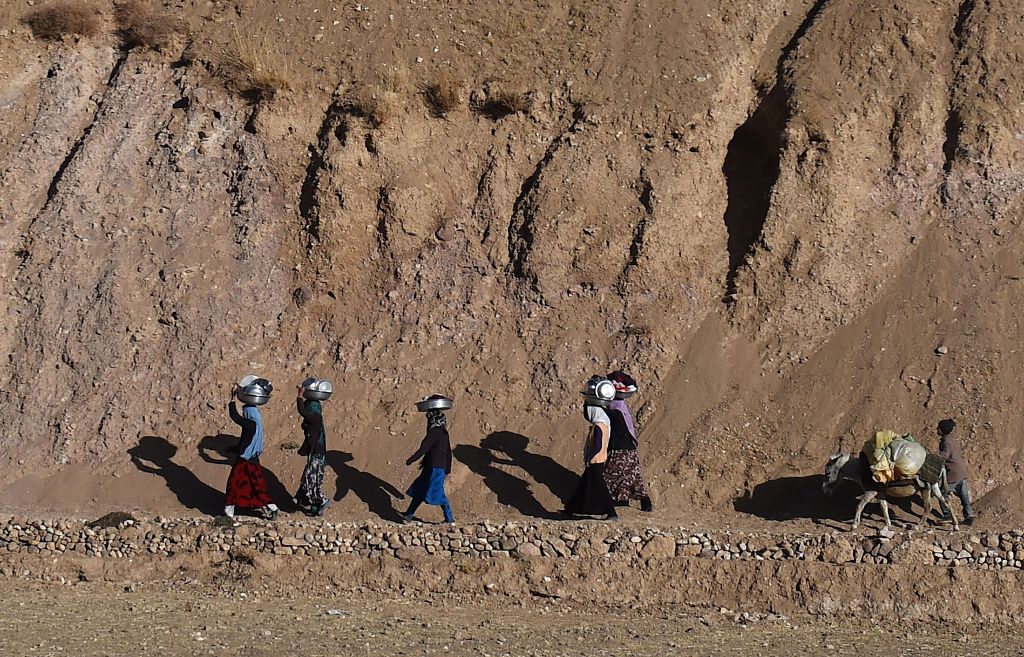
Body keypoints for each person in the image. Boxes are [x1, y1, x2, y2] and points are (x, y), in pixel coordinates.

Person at [224, 388, 279, 519]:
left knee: (234, 484)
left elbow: (235, 417)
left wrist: (232, 399)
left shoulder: (249, 423)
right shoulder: (256, 425)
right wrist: (234, 449)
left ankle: (229, 509)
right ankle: (272, 506)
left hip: (244, 461)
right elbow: (245, 441)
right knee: (257, 485)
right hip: (253, 460)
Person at [604, 370, 653, 512]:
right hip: (629, 444)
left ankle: (613, 500)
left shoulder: (614, 405)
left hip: (620, 446)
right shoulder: (621, 405)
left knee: (611, 473)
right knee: (632, 474)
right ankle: (639, 501)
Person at [564, 402, 618, 521]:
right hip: (600, 460)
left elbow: (597, 445)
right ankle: (570, 509)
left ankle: (611, 512)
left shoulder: (598, 426)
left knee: (600, 486)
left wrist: (590, 458)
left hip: (595, 461)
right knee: (584, 485)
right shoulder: (605, 425)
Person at [402, 407, 454, 524]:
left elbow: (423, 449)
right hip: (436, 467)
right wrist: (448, 468)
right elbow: (448, 453)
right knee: (421, 489)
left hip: (434, 468)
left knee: (438, 492)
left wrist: (411, 460)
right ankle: (409, 514)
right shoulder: (444, 434)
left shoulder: (434, 433)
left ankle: (449, 518)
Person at [292, 385, 330, 516]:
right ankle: (313, 508)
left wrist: (299, 395)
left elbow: (303, 411)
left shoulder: (315, 417)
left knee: (311, 479)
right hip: (315, 452)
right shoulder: (313, 419)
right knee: (309, 479)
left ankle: (322, 500)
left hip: (317, 454)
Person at [935, 418, 975, 526]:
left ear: (942, 430)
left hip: (954, 472)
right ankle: (969, 515)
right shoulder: (952, 440)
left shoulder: (946, 441)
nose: (936, 429)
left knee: (941, 492)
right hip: (962, 471)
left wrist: (933, 456)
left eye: (938, 428)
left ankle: (947, 515)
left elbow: (945, 455)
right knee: (964, 495)